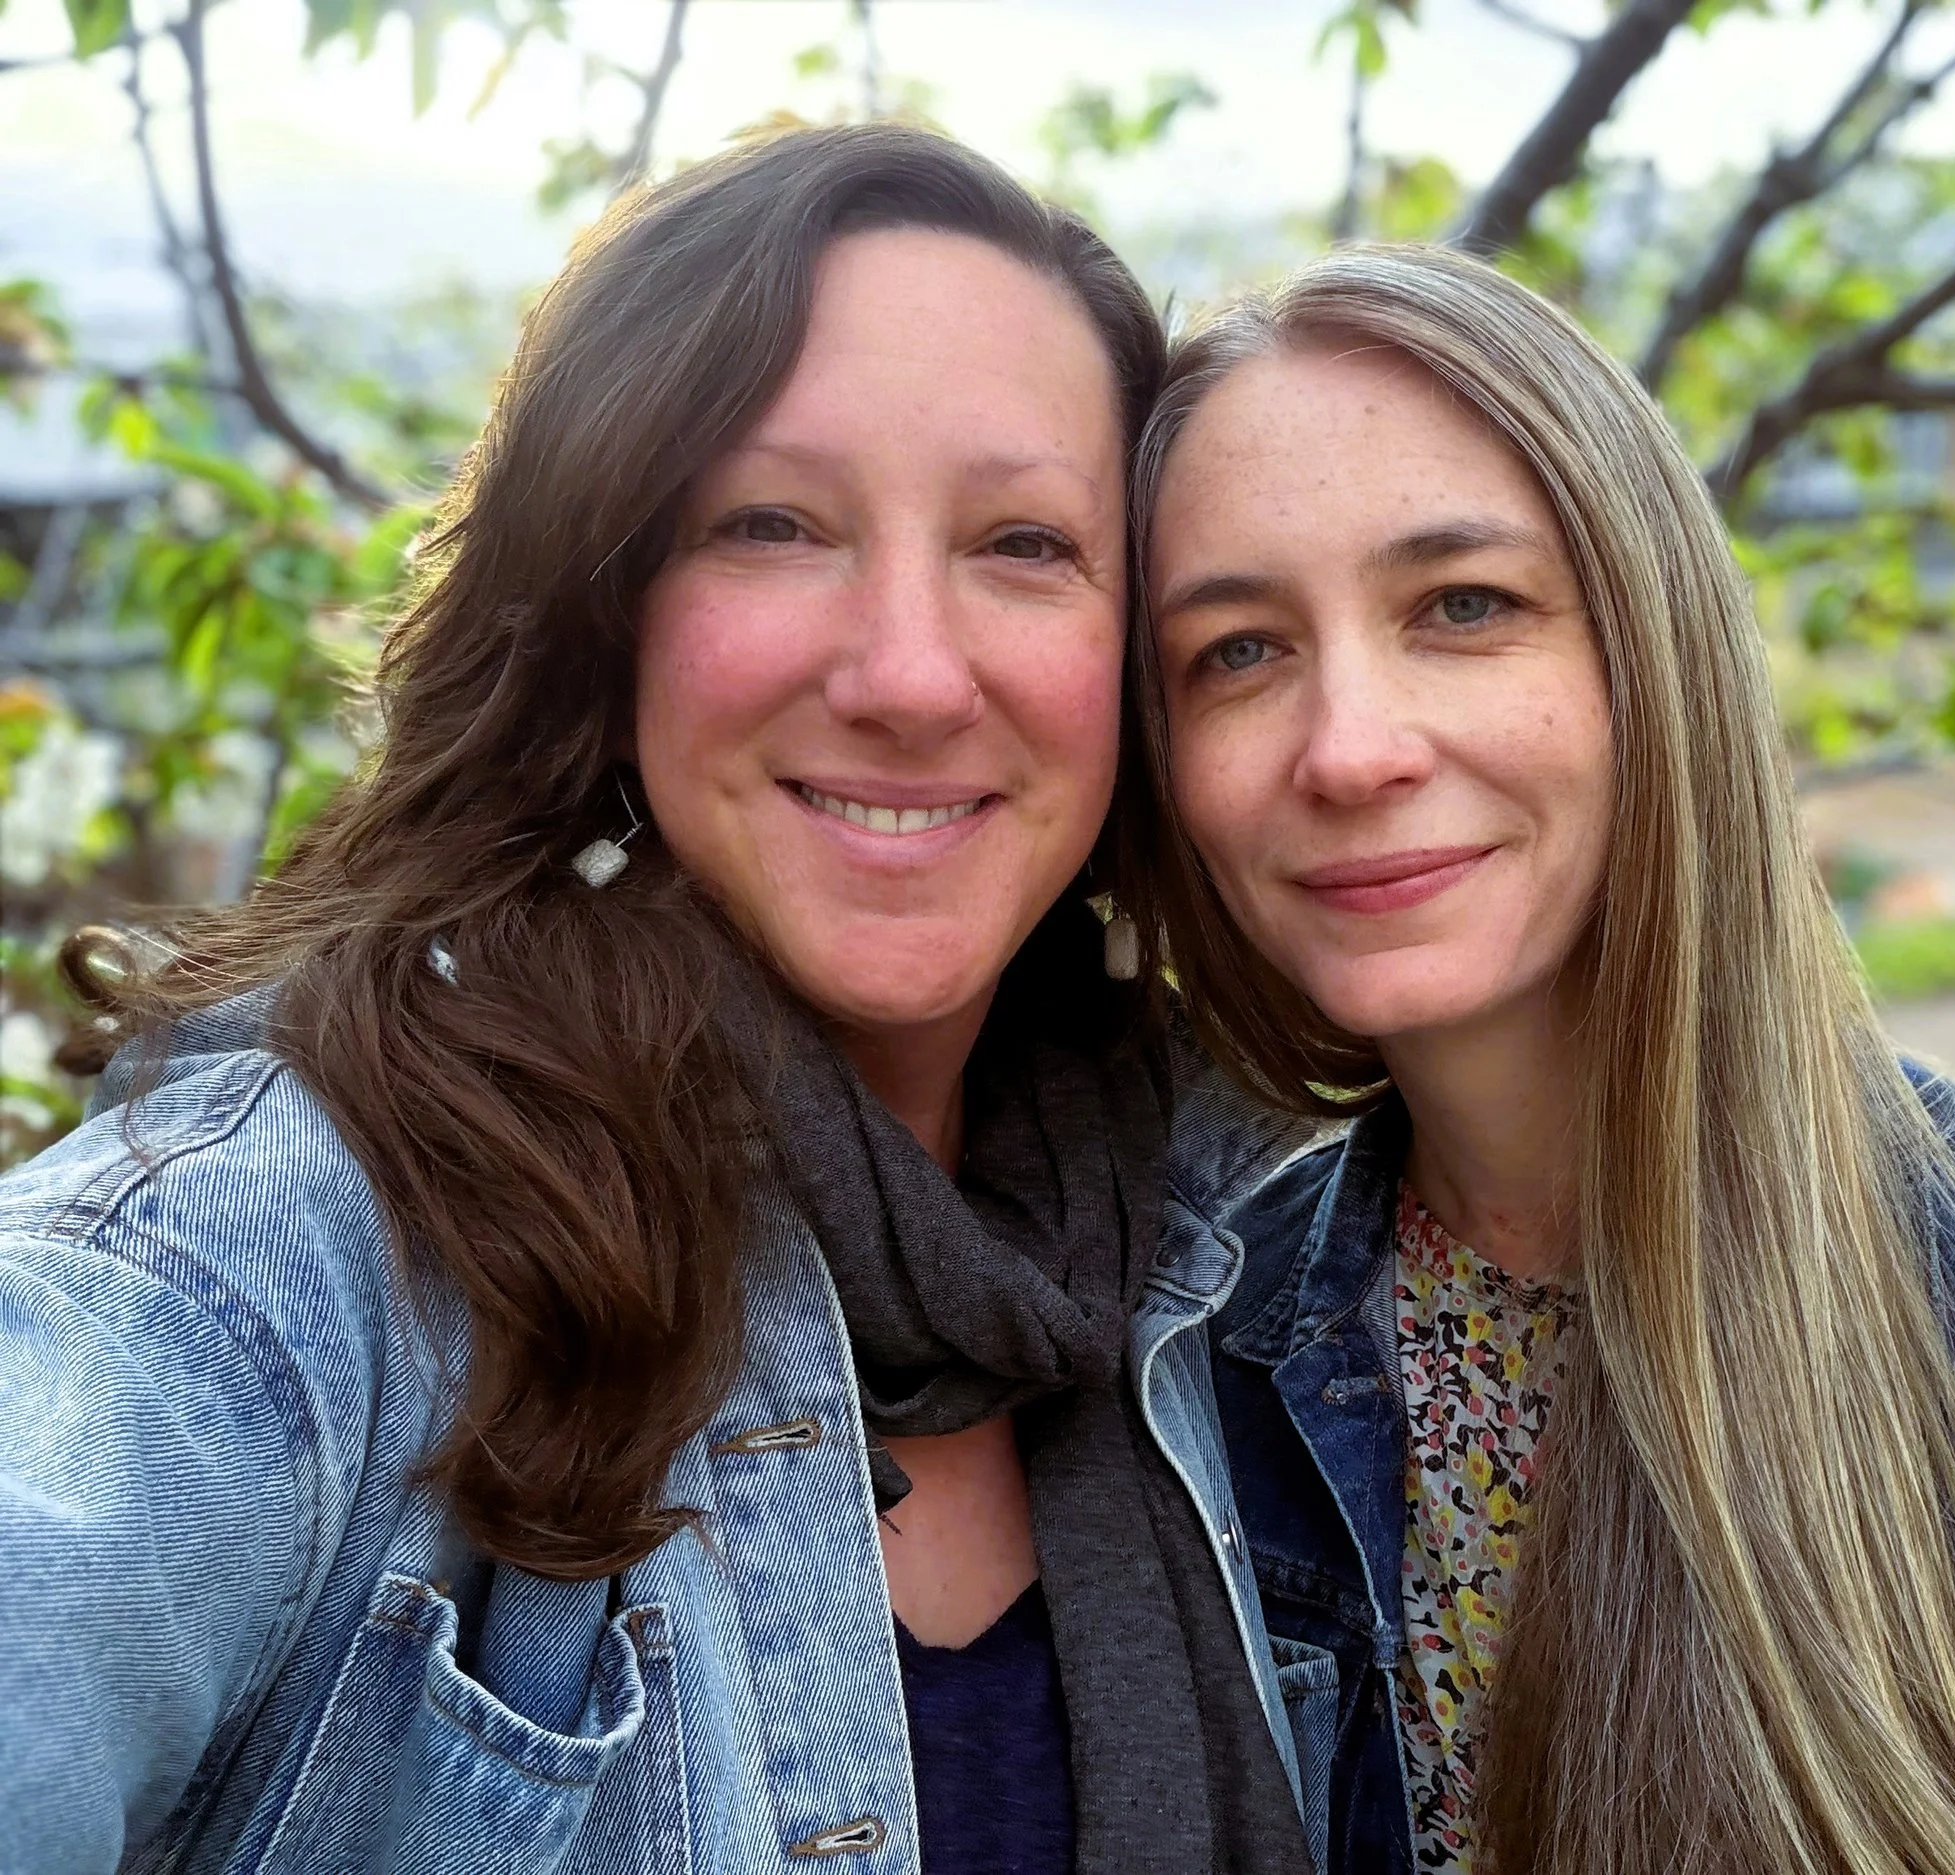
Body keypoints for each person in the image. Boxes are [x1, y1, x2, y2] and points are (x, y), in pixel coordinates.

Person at [0, 125, 1316, 1875]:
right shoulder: (297, 1254)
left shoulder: (1233, 1249)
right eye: (771, 524)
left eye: (1022, 542)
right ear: (607, 606)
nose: (912, 675)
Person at [1127, 244, 1955, 1875]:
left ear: (1654, 657)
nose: (1352, 746)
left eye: (1464, 606)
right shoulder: (1198, 1362)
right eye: (1236, 649)